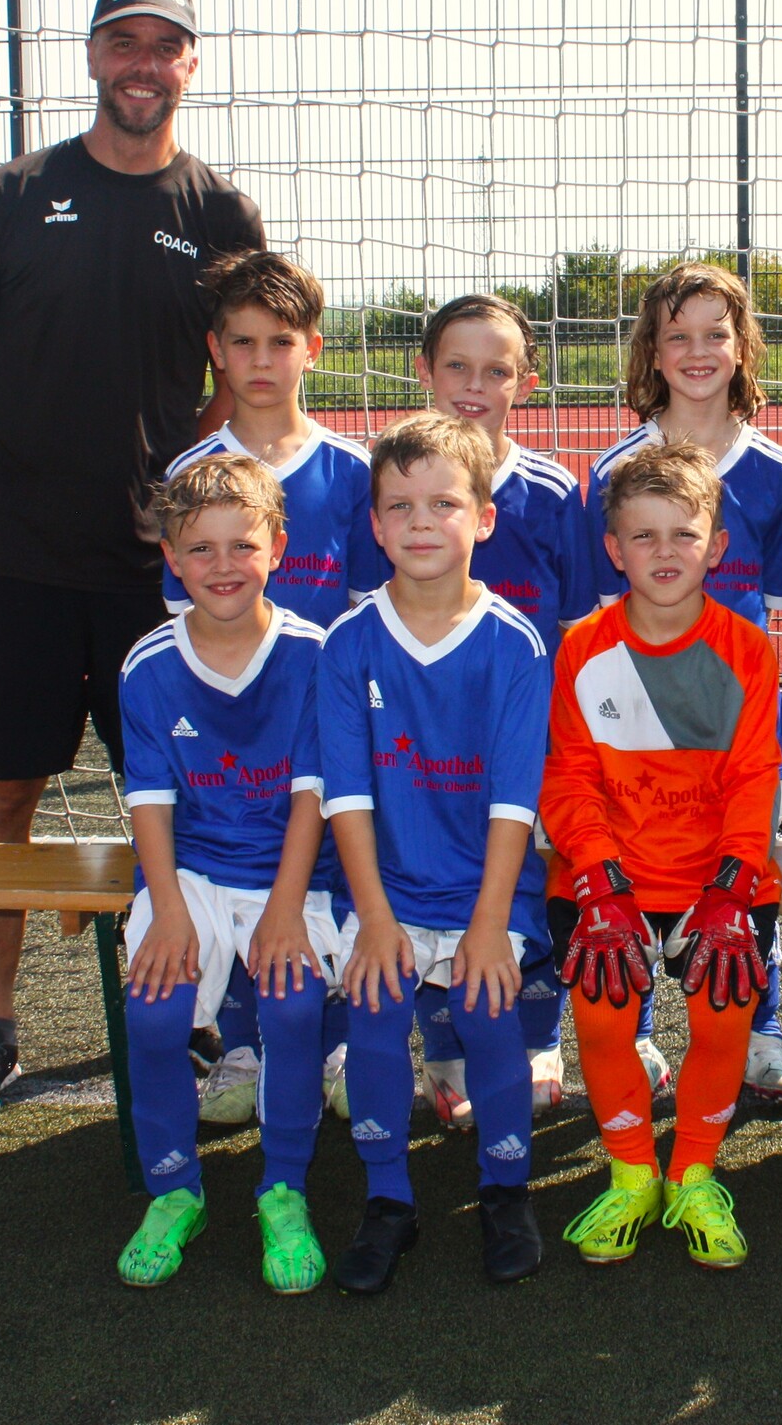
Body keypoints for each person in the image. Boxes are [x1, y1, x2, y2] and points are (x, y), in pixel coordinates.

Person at [0, 0, 265, 1128]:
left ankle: (206, 1006)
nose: (142, 62)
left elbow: (243, 368)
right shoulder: (12, 192)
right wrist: (31, 469)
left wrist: (172, 496)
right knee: (6, 785)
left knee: (178, 796)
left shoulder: (219, 210)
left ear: (189, 65)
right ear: (90, 57)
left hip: (158, 576)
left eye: (164, 45)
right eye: (123, 40)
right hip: (21, 558)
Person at [316, 413, 549, 1290]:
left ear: (483, 518)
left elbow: (514, 802)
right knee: (375, 1012)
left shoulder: (515, 644)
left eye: (443, 501)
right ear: (374, 525)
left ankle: (504, 1188)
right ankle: (387, 1200)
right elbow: (346, 796)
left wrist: (488, 924)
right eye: (400, 504)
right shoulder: (347, 644)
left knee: (490, 1012)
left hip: (489, 890)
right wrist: (375, 919)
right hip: (386, 887)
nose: (421, 521)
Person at [543, 442, 781, 1269]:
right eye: (642, 537)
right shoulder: (581, 647)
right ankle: (631, 1172)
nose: (664, 553)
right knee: (603, 1019)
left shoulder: (749, 651)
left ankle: (693, 1173)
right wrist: (600, 886)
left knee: (724, 1018)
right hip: (611, 876)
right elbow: (569, 776)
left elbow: (755, 779)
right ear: (612, 549)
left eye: (683, 533)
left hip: (717, 877)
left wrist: (728, 888)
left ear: (715, 545)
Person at [159, 249, 382, 1128]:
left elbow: (370, 611)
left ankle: (329, 1041)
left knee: (327, 871)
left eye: (278, 341)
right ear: (216, 348)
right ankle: (244, 1047)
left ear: (312, 349)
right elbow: (180, 626)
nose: (259, 360)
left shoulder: (353, 470)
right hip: (230, 730)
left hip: (329, 726)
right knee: (236, 865)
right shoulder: (195, 474)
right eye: (241, 340)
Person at [587, 263, 782, 1107]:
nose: (696, 350)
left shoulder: (778, 473)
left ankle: (761, 1032)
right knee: (639, 875)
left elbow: (770, 606)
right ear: (651, 349)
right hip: (639, 729)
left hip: (740, 728)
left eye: (715, 332)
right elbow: (608, 617)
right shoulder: (614, 469)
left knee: (746, 874)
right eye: (675, 334)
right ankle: (638, 1031)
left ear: (742, 346)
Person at [113, 456, 337, 1291]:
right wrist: (168, 909)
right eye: (199, 549)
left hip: (293, 874)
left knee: (291, 1007)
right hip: (195, 876)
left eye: (240, 545)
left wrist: (283, 912)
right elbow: (150, 802)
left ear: (277, 546)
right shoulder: (148, 664)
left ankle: (284, 1189)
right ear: (171, 557)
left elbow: (314, 798)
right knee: (156, 1013)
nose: (221, 566)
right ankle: (175, 1191)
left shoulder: (316, 654)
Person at [411, 293, 595, 1125]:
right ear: (425, 371)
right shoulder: (396, 476)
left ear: (525, 381)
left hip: (533, 744)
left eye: (496, 369)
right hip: (425, 747)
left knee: (540, 882)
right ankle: (443, 1045)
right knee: (431, 879)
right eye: (457, 365)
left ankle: (536, 1035)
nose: (473, 384)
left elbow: (579, 632)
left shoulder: (554, 492)